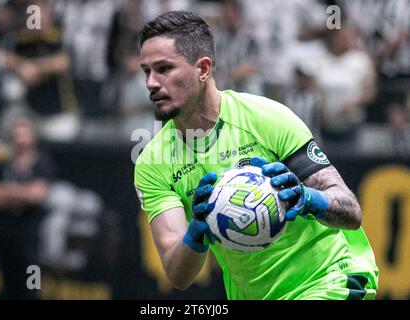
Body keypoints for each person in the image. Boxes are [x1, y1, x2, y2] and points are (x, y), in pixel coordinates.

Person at [133, 11, 379, 300]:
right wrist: (195, 234)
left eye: (164, 69)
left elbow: (351, 211)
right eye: (146, 71)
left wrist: (307, 198)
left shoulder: (265, 118)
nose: (151, 82)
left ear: (203, 69)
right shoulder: (152, 162)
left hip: (330, 280)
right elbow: (178, 275)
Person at [0, 115, 55, 299]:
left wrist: (4, 192)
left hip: (31, 239)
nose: (19, 137)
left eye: (24, 132)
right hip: (4, 238)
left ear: (33, 136)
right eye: (16, 132)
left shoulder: (41, 162)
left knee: (31, 287)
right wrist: (21, 194)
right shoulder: (1, 163)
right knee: (6, 287)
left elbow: (38, 195)